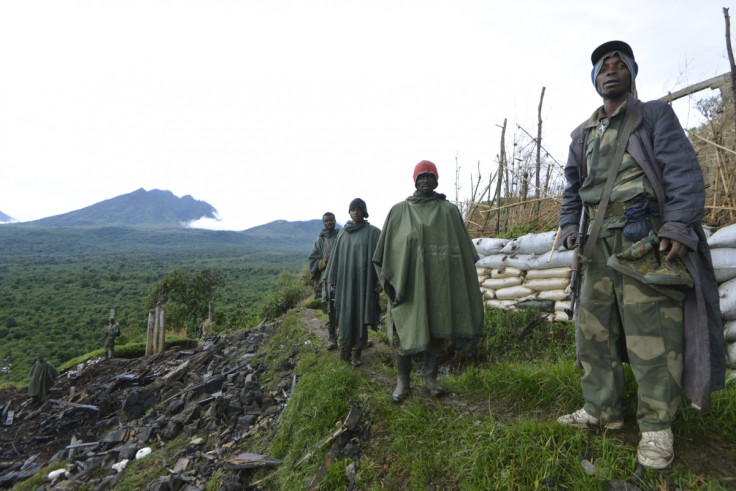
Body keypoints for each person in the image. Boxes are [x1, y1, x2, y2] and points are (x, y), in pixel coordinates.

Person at [557, 40, 725, 469]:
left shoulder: (653, 116)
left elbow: (683, 172)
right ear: (595, 79)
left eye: (620, 65)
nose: (611, 71)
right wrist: (567, 230)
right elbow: (572, 192)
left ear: (632, 74)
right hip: (596, 246)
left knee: (652, 337)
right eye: (603, 67)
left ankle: (656, 428)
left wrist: (677, 226)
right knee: (592, 333)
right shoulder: (583, 134)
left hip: (643, 240)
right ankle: (601, 410)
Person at [373, 161, 484, 403]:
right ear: (414, 181)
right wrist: (390, 283)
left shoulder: (449, 212)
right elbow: (385, 253)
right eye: (421, 177)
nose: (425, 181)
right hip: (408, 288)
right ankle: (403, 382)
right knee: (405, 332)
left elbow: (463, 253)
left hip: (439, 286)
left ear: (436, 181)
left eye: (430, 177)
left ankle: (431, 381)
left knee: (437, 332)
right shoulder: (398, 212)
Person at [326, 199, 382, 366]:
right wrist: (334, 280)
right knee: (345, 316)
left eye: (358, 210)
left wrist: (379, 280)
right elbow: (335, 259)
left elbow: (382, 258)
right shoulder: (343, 233)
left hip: (365, 283)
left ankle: (357, 352)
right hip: (346, 284)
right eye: (352, 209)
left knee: (361, 313)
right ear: (349, 212)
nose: (355, 212)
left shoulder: (373, 233)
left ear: (364, 212)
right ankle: (344, 350)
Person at [308, 212, 341, 349]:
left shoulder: (343, 235)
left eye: (331, 220)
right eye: (326, 221)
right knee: (331, 309)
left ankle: (351, 337)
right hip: (329, 280)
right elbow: (313, 261)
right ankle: (332, 337)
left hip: (345, 277)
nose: (329, 223)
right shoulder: (320, 241)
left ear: (335, 220)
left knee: (348, 308)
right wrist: (324, 261)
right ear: (323, 223)